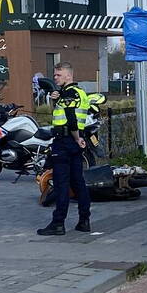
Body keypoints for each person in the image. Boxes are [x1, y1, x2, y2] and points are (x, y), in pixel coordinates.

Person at [37, 62, 91, 236]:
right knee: (78, 182)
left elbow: (70, 119)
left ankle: (58, 223)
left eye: (59, 75)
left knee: (61, 184)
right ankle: (84, 220)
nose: (55, 78)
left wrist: (77, 138)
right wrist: (55, 99)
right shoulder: (80, 93)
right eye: (54, 75)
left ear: (69, 76)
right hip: (73, 142)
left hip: (65, 140)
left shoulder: (68, 94)